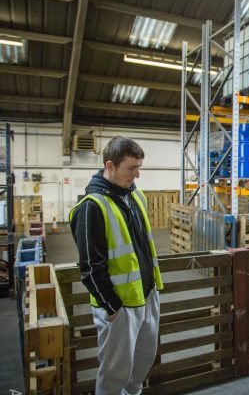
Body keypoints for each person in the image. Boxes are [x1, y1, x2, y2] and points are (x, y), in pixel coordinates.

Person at [70, 136, 163, 395]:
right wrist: (111, 307)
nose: (137, 175)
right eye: (131, 168)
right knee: (114, 374)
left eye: (139, 167)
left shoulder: (135, 196)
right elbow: (90, 267)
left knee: (141, 364)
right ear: (110, 165)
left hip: (146, 296)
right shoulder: (91, 207)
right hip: (119, 306)